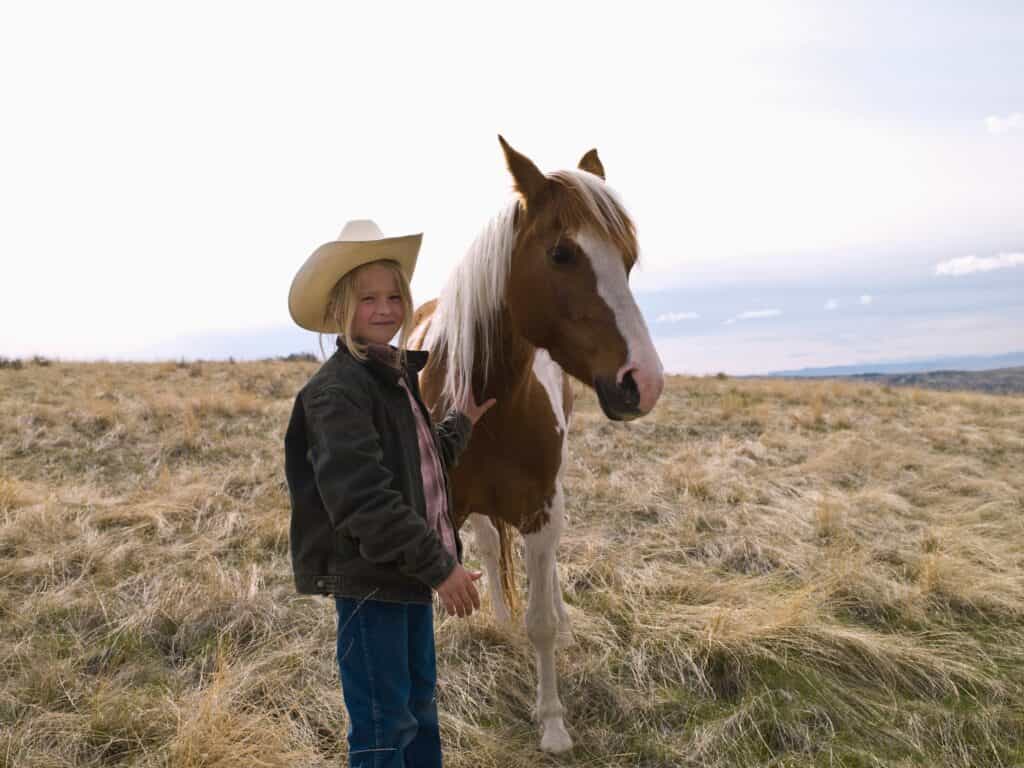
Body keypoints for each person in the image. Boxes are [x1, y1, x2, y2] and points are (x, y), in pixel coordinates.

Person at [283, 219, 496, 767]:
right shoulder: (335, 394)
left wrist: (460, 425)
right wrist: (440, 567)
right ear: (338, 310)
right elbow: (364, 503)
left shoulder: (393, 379)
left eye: (394, 296)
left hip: (406, 579)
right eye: (367, 298)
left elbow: (417, 470)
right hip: (372, 586)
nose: (384, 308)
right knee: (383, 727)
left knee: (418, 712)